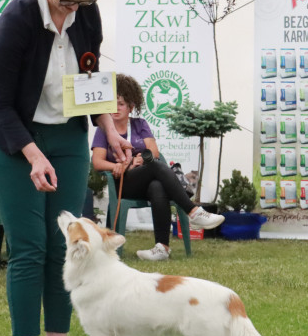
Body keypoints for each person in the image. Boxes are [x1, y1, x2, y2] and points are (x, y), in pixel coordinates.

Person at [0, 0, 130, 336]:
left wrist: (110, 130)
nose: (73, 8)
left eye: (83, 0)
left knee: (66, 246)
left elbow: (90, 82)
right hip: (14, 140)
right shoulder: (17, 19)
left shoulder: (87, 14)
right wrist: (31, 153)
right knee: (29, 248)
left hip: (67, 138)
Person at [91, 73, 223, 261]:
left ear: (131, 107)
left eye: (121, 104)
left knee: (157, 184)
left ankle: (162, 248)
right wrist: (120, 164)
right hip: (123, 182)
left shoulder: (139, 124)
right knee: (156, 167)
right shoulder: (103, 129)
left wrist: (140, 159)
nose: (115, 108)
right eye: (112, 103)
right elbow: (97, 162)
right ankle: (193, 211)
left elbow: (152, 151)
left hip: (144, 178)